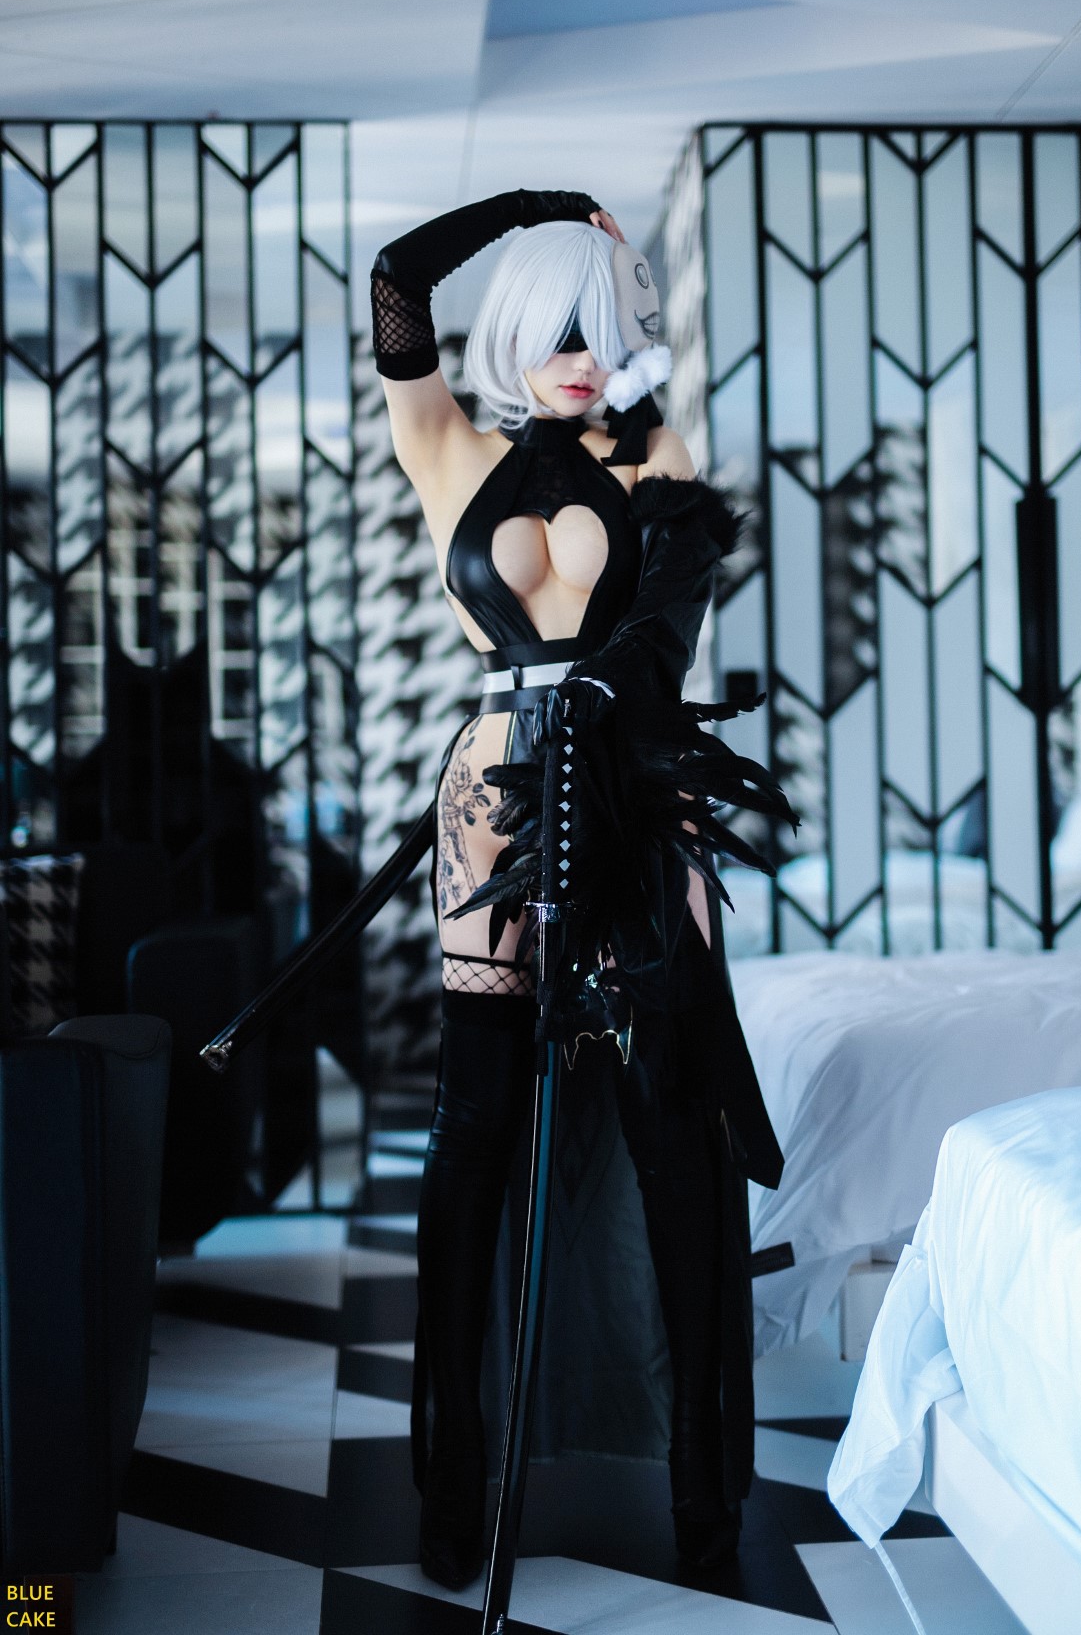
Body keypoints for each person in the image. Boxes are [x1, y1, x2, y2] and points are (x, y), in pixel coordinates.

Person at [370, 188, 791, 1591]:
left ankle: (703, 1493)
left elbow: (673, 617)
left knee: (672, 1121)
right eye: (558, 330)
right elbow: (397, 277)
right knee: (475, 1128)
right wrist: (548, 212)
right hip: (490, 805)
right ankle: (453, 1483)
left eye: (603, 331)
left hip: (636, 797)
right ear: (513, 330)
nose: (581, 359)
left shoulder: (654, 451)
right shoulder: (446, 448)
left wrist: (622, 281)